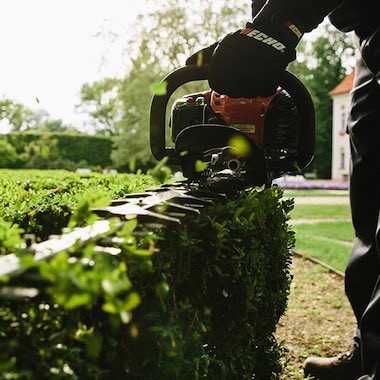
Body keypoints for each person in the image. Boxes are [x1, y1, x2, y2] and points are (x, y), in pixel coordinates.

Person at [186, 1, 380, 379]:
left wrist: (279, 26)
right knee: (370, 200)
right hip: (371, 36)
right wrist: (259, 35)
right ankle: (371, 349)